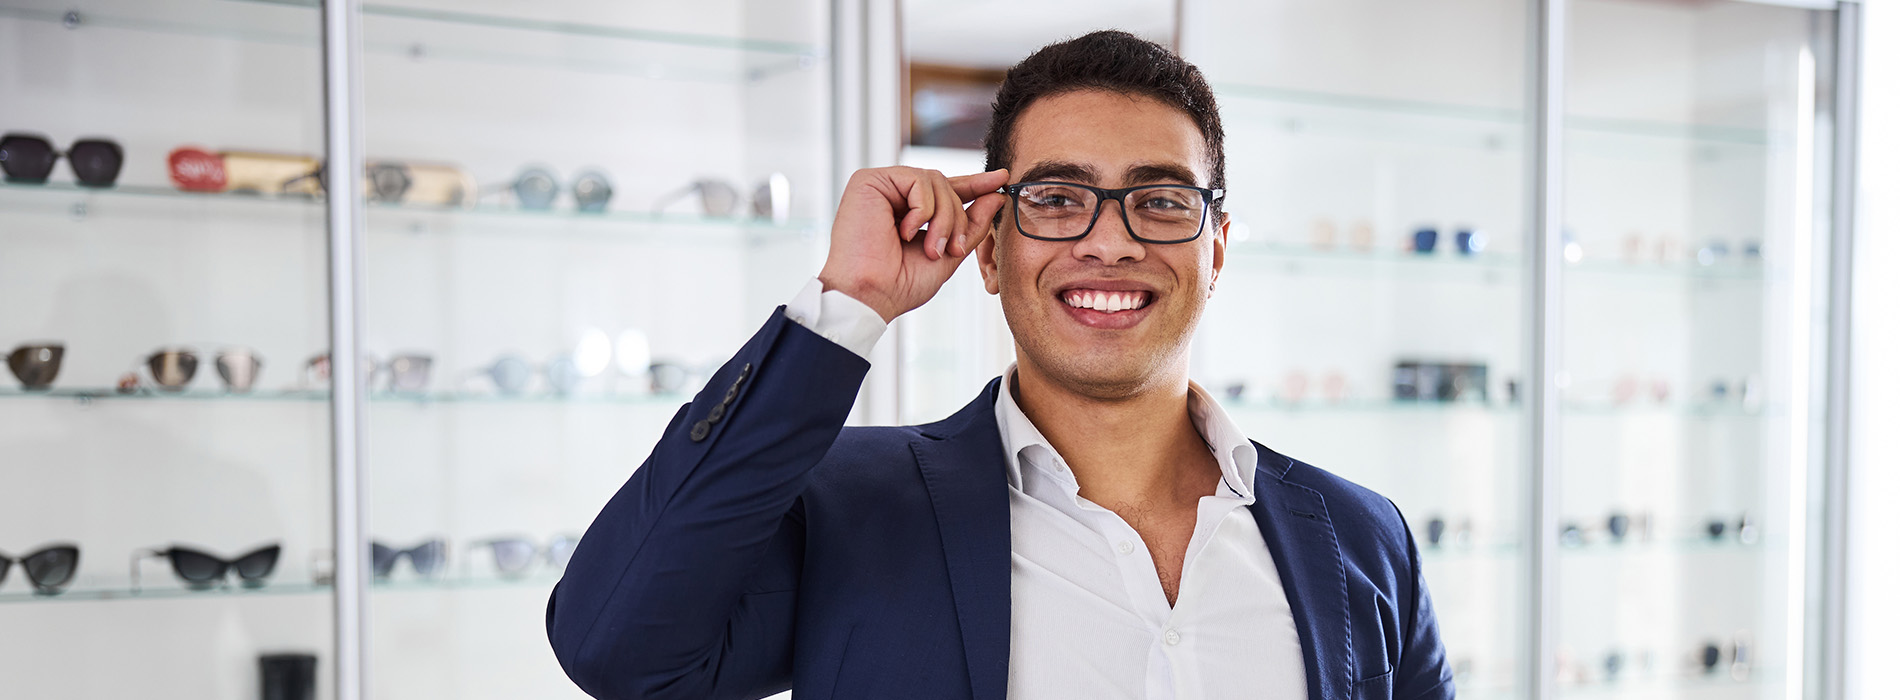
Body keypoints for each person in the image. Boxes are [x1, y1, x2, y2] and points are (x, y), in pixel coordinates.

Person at [546, 30, 1452, 700]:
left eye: (1160, 199)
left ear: (1216, 250)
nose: (1110, 241)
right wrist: (850, 302)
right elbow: (617, 646)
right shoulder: (853, 509)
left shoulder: (1364, 540)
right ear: (988, 250)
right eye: (1058, 199)